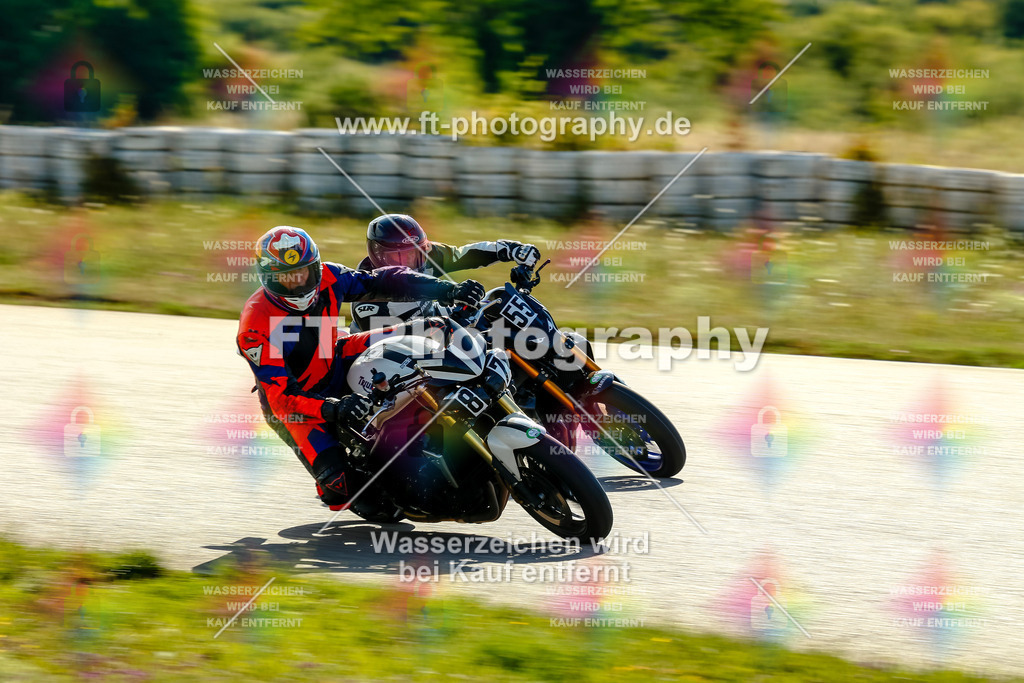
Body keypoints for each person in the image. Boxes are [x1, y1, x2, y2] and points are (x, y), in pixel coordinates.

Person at [236, 225, 484, 513]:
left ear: (314, 267)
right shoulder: (254, 324)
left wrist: (448, 289)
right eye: (285, 279)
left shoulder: (331, 277)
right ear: (268, 279)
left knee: (429, 329)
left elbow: (386, 280)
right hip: (296, 404)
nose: (297, 285)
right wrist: (333, 408)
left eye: (302, 273)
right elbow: (281, 397)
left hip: (336, 355)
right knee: (347, 493)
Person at [349, 214, 540, 331]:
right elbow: (405, 336)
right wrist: (455, 311)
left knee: (499, 300)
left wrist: (511, 249)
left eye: (416, 252)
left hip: (438, 326)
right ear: (378, 254)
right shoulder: (366, 290)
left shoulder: (426, 256)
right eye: (400, 256)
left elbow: (463, 255)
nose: (411, 261)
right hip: (395, 360)